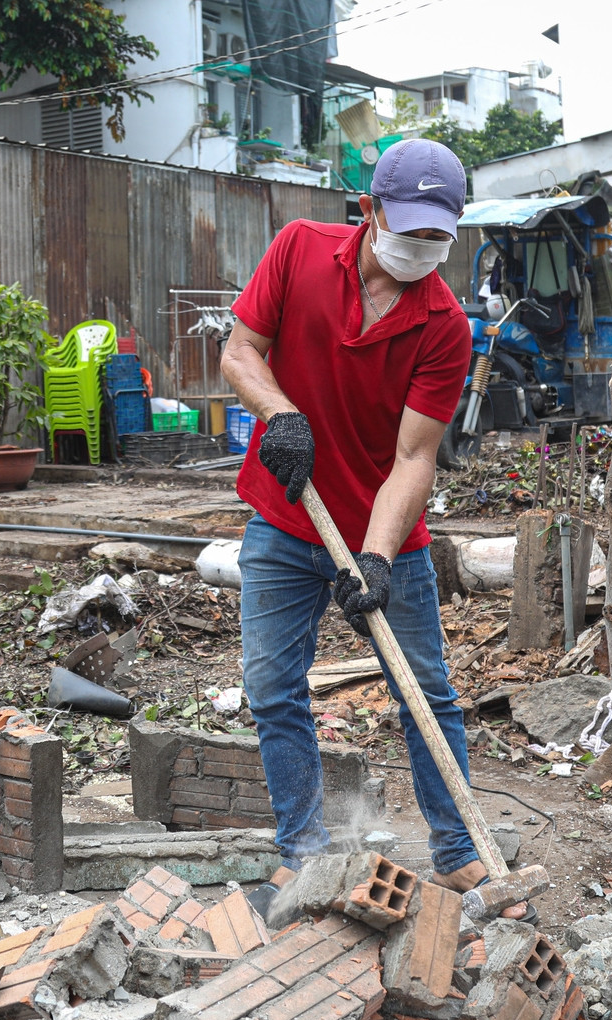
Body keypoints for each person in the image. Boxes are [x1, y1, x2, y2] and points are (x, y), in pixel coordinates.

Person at [221, 139, 530, 921]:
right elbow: (240, 351)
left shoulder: (443, 327)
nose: (421, 247)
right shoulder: (297, 251)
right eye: (409, 228)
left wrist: (377, 556)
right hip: (287, 513)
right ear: (369, 211)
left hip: (383, 529)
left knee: (425, 690)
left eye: (438, 235)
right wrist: (279, 413)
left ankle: (459, 852)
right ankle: (303, 848)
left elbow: (413, 456)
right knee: (271, 687)